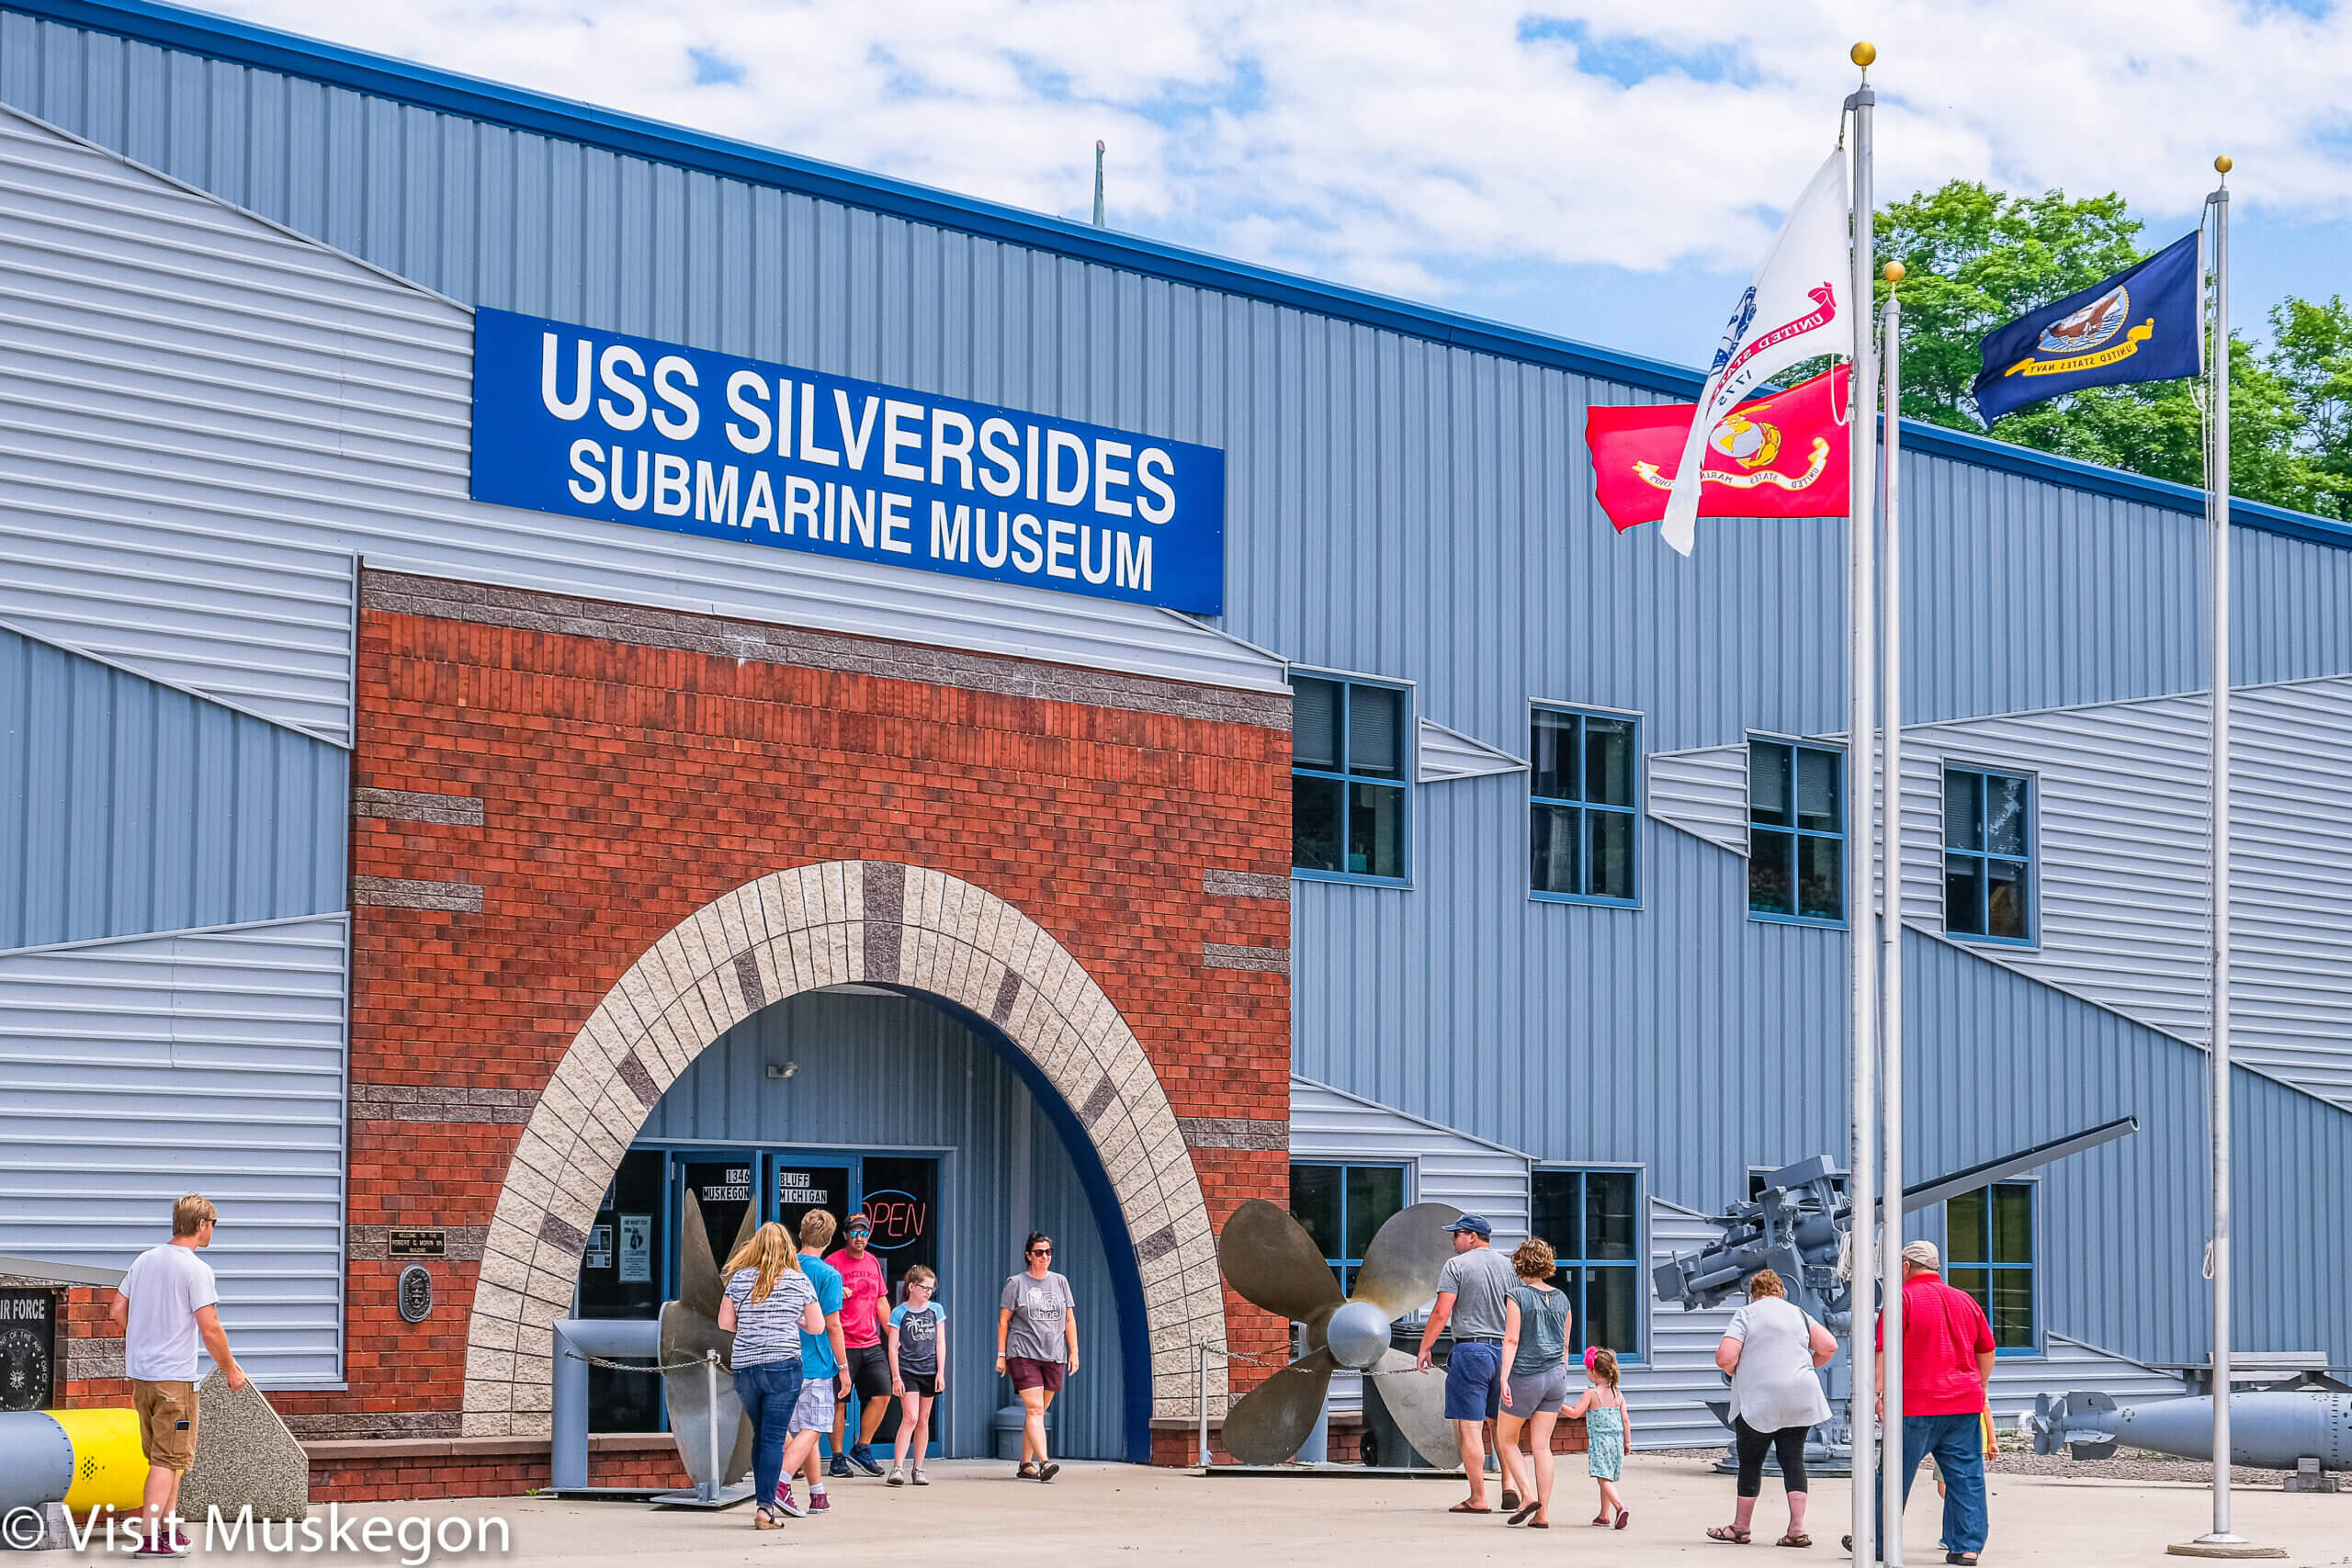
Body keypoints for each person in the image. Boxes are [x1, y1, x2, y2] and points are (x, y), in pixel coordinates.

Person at [1843, 1239, 1997, 1566]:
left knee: (1893, 1476)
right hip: (1962, 1405)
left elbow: (1883, 1352)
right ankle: (1966, 1547)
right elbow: (1986, 1349)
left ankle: (1876, 1541)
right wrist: (1979, 1388)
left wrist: (1875, 1394)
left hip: (1914, 1404)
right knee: (1965, 1477)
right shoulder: (1966, 1301)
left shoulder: (1901, 1299)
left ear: (1905, 1266)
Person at [110, 1194, 247, 1560]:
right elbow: (210, 1327)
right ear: (202, 1225)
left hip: (143, 1378)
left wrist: (143, 1341)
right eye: (213, 1224)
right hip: (175, 1381)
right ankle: (151, 1538)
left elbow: (117, 1309)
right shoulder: (196, 1269)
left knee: (170, 1460)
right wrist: (231, 1370)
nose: (213, 1230)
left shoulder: (144, 1260)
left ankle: (169, 1532)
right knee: (167, 1461)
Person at [1704, 1268, 1836, 1547]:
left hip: (1759, 1397)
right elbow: (1829, 1346)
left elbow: (1725, 1356)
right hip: (1800, 1395)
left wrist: (1736, 1370)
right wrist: (1805, 1367)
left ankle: (1740, 1528)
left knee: (1751, 1462)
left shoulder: (1747, 1314)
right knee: (1793, 1460)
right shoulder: (1798, 1314)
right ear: (1782, 1292)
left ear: (1753, 1294)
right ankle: (1797, 1530)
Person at [716, 1223, 823, 1530]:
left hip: (746, 1367)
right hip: (783, 1366)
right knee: (774, 1438)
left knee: (760, 1431)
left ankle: (763, 1503)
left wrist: (753, 1327)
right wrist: (796, 1320)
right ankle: (764, 1509)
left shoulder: (739, 1279)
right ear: (788, 1248)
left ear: (755, 1247)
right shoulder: (799, 1281)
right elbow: (817, 1327)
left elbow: (725, 1323)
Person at [1414, 1213, 1516, 1514]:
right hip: (1504, 1352)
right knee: (1501, 1427)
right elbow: (1517, 1312)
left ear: (1472, 1236)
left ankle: (1478, 1498)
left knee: (1470, 1428)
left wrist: (1425, 1347)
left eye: (1456, 1234)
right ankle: (1509, 1485)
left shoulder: (1456, 1266)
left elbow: (1441, 1313)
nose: (1452, 1240)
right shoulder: (1509, 1266)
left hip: (1471, 1351)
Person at [774, 1211, 851, 1518]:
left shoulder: (782, 1268)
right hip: (816, 1363)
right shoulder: (829, 1274)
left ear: (801, 1233)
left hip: (782, 1358)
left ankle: (817, 1494)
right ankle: (779, 1482)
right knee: (817, 1425)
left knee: (801, 1430)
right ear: (830, 1239)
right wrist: (844, 1367)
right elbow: (833, 1325)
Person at [1496, 1237, 1572, 1529]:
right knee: (1542, 1447)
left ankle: (1527, 1495)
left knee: (1506, 1440)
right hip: (1556, 1378)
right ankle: (1543, 1514)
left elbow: (1512, 1339)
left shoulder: (1517, 1296)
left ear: (1520, 1265)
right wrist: (1561, 1375)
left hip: (1525, 1376)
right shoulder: (1562, 1299)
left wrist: (1504, 1377)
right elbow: (1565, 1346)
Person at [996, 1232, 1078, 1482]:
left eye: (1048, 1252)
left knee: (1038, 1412)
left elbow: (1069, 1318)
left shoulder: (1060, 1282)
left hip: (1054, 1354)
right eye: (1039, 1252)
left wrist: (1074, 1351)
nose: (1045, 1257)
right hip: (1023, 1352)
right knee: (1034, 1409)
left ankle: (1024, 1464)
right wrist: (1001, 1355)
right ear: (1028, 1255)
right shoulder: (1016, 1283)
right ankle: (1044, 1462)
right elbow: (1004, 1320)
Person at [825, 1213, 893, 1478]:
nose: (859, 1238)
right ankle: (837, 1457)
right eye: (854, 1232)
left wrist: (892, 1334)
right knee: (840, 1401)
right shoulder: (833, 1263)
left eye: (863, 1233)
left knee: (882, 1393)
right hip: (843, 1341)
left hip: (871, 1341)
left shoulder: (873, 1262)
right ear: (845, 1235)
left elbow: (881, 1301)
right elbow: (821, 1300)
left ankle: (862, 1447)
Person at [885, 1264, 945, 1486]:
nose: (928, 1292)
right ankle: (897, 1467)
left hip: (929, 1370)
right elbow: (892, 1347)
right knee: (910, 1416)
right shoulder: (899, 1312)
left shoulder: (936, 1310)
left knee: (923, 1419)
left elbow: (940, 1342)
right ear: (911, 1287)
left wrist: (941, 1372)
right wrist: (896, 1376)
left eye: (931, 1288)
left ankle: (918, 1468)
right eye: (923, 1287)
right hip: (907, 1369)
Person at [1566, 1346, 1631, 1529]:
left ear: (1594, 1371)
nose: (1587, 1372)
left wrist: (1559, 1406)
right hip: (1617, 1441)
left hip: (1600, 1441)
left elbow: (1575, 1413)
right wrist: (1627, 1442)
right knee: (1607, 1476)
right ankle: (1603, 1515)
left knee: (1602, 1477)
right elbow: (1626, 1420)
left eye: (1588, 1369)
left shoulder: (1591, 1394)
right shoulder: (1618, 1394)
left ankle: (1620, 1507)